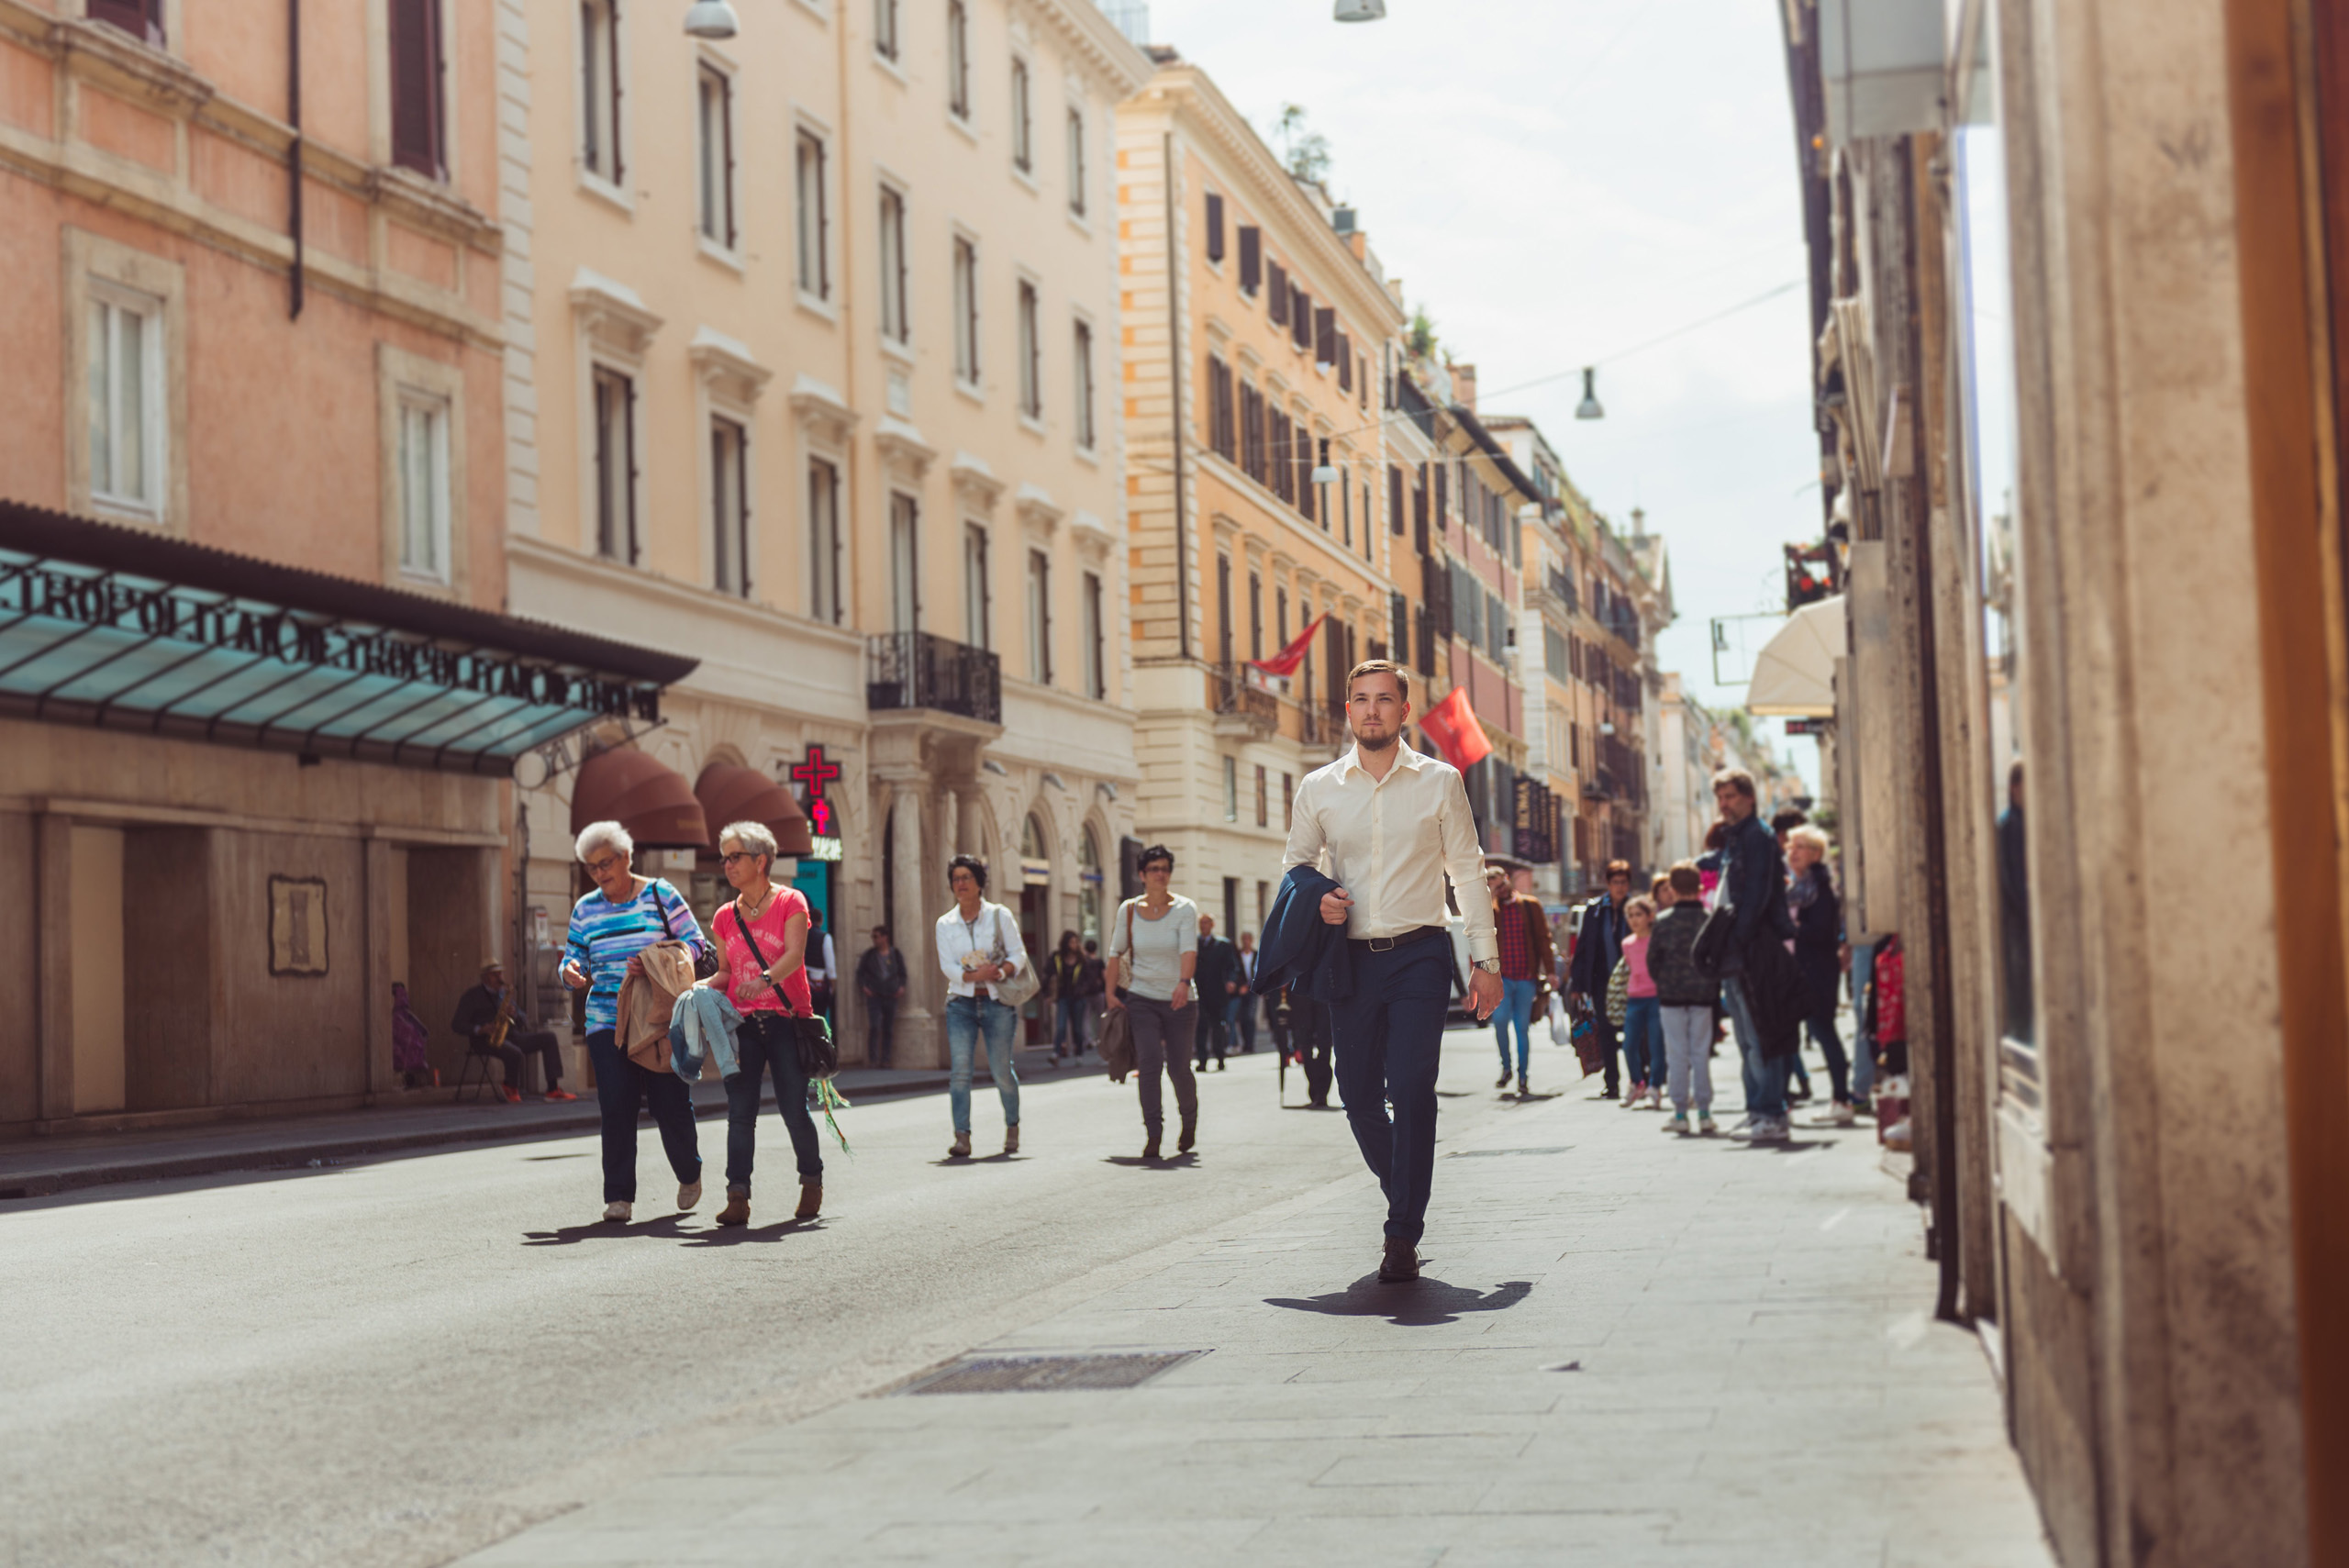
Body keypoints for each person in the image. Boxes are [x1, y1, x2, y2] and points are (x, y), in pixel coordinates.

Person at [1283, 661, 1500, 1284]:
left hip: (1420, 955)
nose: (1372, 709)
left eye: (1384, 699)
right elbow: (1296, 865)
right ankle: (1404, 1185)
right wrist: (1317, 896)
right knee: (1356, 1098)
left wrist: (1485, 961)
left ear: (1405, 709)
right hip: (1348, 960)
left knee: (1410, 1087)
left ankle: (1402, 1230)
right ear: (1347, 711)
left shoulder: (1440, 781)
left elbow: (1466, 871)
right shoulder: (1319, 787)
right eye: (1360, 700)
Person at [562, 819, 707, 1223]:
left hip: (657, 1018)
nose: (600, 873)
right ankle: (619, 1197)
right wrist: (569, 970)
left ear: (627, 857)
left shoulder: (662, 894)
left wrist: (654, 959)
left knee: (668, 1104)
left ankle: (689, 1172)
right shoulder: (585, 908)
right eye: (592, 867)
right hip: (606, 1019)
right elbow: (572, 953)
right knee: (616, 1106)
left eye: (606, 863)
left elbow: (696, 945)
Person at [698, 822, 825, 1227]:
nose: (727, 864)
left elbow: (794, 955)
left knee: (793, 1109)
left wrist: (764, 980)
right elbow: (723, 972)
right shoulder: (724, 916)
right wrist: (689, 988)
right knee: (740, 1112)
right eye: (724, 858)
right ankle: (737, 1195)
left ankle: (811, 1179)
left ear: (761, 861)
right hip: (743, 1025)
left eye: (735, 857)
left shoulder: (791, 901)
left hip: (787, 1020)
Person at [1714, 769, 1800, 1142]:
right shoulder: (1736, 838)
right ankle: (1757, 1111)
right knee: (1747, 1038)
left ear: (1749, 798)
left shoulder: (1758, 836)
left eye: (1730, 796)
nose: (1723, 803)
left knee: (1762, 1034)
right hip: (1736, 950)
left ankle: (1771, 1112)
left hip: (1754, 949)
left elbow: (1757, 896)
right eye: (1720, 796)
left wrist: (1741, 937)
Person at [1107, 845, 1200, 1159]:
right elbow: (1115, 953)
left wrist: (1183, 983)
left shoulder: (1185, 909)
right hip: (1142, 998)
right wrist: (1109, 994)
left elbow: (1189, 950)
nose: (1161, 874)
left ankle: (1189, 1122)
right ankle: (1154, 1134)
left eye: (1165, 868)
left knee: (1178, 1068)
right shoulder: (1129, 910)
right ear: (1142, 875)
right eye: (1154, 869)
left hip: (1181, 999)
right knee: (1148, 1064)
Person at [934, 854, 1027, 1158]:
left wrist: (998, 973)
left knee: (1001, 1070)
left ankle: (1012, 1126)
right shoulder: (945, 923)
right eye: (955, 879)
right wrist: (972, 975)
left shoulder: (999, 915)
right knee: (960, 1072)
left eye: (966, 878)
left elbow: (1018, 955)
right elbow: (947, 965)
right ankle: (962, 1137)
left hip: (997, 1003)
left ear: (979, 883)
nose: (960, 884)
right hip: (961, 1003)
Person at [1786, 824, 1854, 1123]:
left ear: (1815, 853)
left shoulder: (1821, 888)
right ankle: (1782, 1101)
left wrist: (1793, 929)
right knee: (1792, 1033)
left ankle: (1842, 1099)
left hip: (1817, 971)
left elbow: (1822, 931)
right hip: (1798, 970)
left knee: (1823, 1031)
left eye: (1799, 846)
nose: (1792, 852)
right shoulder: (1796, 887)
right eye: (1790, 846)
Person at [1649, 862, 1717, 1133]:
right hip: (1703, 995)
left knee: (1676, 1054)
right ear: (1699, 888)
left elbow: (1653, 960)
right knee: (1701, 1053)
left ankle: (1680, 1113)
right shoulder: (1708, 919)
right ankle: (1704, 1112)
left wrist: (1665, 982)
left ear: (1673, 889)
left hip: (1671, 996)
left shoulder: (1664, 922)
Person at [451, 960, 575, 1103]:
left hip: (511, 1036)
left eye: (500, 974)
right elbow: (456, 1025)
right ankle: (510, 1087)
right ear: (485, 977)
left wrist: (515, 1014)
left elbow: (524, 1021)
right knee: (515, 1052)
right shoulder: (471, 996)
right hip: (484, 1040)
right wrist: (480, 1029)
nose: (500, 978)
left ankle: (553, 1089)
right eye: (494, 975)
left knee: (549, 1038)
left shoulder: (503, 994)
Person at [1486, 863, 1555, 1097]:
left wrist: (1551, 971)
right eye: (1491, 884)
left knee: (1521, 1028)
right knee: (1500, 1021)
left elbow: (1543, 939)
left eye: (1498, 881)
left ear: (1507, 879)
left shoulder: (1530, 905)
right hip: (1502, 978)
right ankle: (1506, 1067)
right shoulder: (1491, 909)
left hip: (1526, 977)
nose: (1498, 888)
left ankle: (1523, 1076)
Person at [1567, 862, 1634, 1098]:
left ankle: (1639, 1079)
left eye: (1624, 882)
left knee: (1634, 1031)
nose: (1620, 887)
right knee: (1606, 1032)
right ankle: (1612, 1084)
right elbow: (1583, 947)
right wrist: (1577, 985)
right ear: (1608, 884)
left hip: (1632, 981)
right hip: (1601, 981)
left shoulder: (1634, 908)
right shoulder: (1594, 910)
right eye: (1615, 882)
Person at [1615, 898, 1664, 1109]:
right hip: (1634, 998)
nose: (1634, 920)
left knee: (1656, 1046)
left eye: (1638, 915)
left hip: (1656, 997)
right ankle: (1636, 1083)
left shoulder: (1657, 940)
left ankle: (1654, 1087)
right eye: (1630, 915)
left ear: (1649, 916)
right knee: (1629, 1045)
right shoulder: (1627, 944)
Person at [854, 927, 907, 1068]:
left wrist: (901, 986)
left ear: (885, 937)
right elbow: (860, 972)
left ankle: (886, 1059)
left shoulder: (895, 954)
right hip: (875, 996)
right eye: (873, 937)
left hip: (891, 995)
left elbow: (902, 972)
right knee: (874, 1026)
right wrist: (864, 986)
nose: (874, 940)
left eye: (876, 936)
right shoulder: (870, 955)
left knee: (888, 1028)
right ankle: (873, 1059)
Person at [1191, 913, 1238, 1071]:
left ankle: (1220, 1057)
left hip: (1218, 993)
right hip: (1200, 992)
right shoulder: (1194, 944)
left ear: (1212, 925)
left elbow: (1232, 966)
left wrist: (1231, 981)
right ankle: (1202, 1060)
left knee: (1218, 1026)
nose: (1203, 926)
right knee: (1201, 1027)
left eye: (1206, 923)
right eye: (1201, 923)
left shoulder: (1222, 945)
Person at [1048, 930, 1092, 1060]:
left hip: (1078, 998)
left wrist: (1083, 990)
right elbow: (1048, 975)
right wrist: (1048, 994)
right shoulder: (1057, 958)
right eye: (1071, 942)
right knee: (1061, 1025)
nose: (1074, 944)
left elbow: (1089, 978)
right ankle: (1056, 1053)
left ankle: (1079, 1052)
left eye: (1076, 942)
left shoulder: (1082, 959)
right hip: (1062, 997)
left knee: (1077, 1028)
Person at [803, 908, 837, 1024]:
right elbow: (830, 965)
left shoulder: (800, 935)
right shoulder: (825, 937)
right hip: (819, 985)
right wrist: (832, 987)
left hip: (802, 983)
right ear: (821, 920)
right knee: (818, 1018)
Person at [1231, 931, 1261, 1054]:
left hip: (1252, 990)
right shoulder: (1237, 955)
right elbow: (1235, 971)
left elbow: (1259, 972)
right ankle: (1244, 1044)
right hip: (1241, 991)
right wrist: (1240, 986)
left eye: (1248, 939)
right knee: (1242, 1018)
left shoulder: (1256, 954)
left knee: (1250, 1017)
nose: (1246, 942)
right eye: (1244, 939)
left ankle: (1250, 1044)